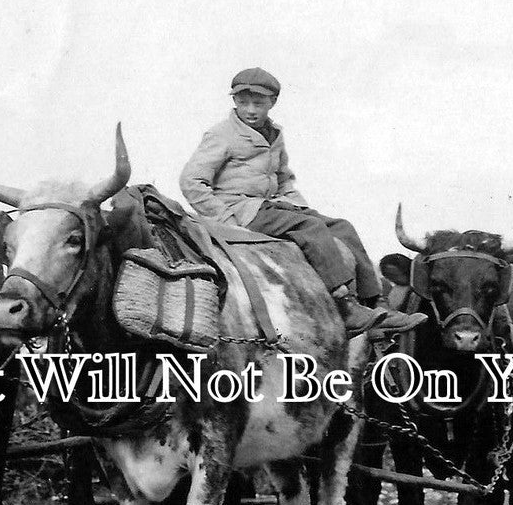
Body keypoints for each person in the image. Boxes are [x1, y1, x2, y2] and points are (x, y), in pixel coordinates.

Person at [179, 67, 427, 338]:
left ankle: (375, 303)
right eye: (242, 102)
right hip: (242, 210)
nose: (250, 110)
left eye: (258, 103)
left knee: (342, 227)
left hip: (271, 205)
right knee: (312, 229)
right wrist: (225, 218)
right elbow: (191, 181)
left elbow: (284, 178)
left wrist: (298, 206)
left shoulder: (274, 134)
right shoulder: (222, 134)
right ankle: (345, 306)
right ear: (234, 102)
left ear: (272, 103)